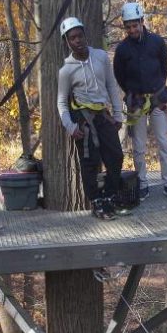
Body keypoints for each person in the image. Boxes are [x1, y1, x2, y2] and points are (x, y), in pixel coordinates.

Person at [57, 17, 125, 220]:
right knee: (90, 161)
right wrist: (69, 126)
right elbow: (61, 102)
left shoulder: (101, 57)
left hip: (102, 114)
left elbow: (112, 86)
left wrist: (118, 113)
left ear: (85, 35)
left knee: (116, 156)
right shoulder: (66, 70)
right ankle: (96, 202)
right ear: (67, 42)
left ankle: (110, 196)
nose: (77, 40)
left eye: (79, 35)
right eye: (72, 38)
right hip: (83, 117)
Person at [113, 2, 167, 201]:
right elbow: (119, 75)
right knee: (139, 146)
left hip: (158, 99)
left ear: (142, 22)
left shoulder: (157, 42)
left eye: (135, 25)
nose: (132, 30)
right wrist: (134, 93)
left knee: (163, 142)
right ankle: (142, 183)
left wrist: (155, 89)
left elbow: (164, 67)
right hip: (136, 102)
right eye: (128, 27)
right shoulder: (123, 50)